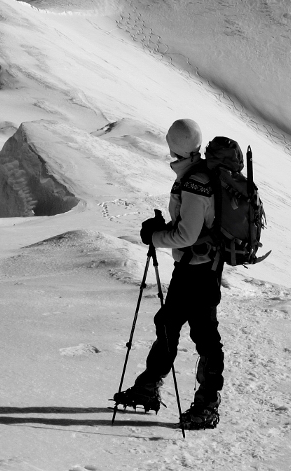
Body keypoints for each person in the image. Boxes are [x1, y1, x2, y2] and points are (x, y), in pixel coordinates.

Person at [113, 118, 227, 430]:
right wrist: (162, 232)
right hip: (193, 267)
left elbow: (187, 235)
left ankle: (207, 404)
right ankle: (149, 386)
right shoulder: (197, 175)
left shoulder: (195, 183)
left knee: (204, 336)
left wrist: (155, 237)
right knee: (168, 323)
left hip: (200, 271)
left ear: (174, 146)